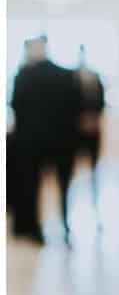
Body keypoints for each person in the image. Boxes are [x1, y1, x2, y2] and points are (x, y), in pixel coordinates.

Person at [9, 36, 81, 244]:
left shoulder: (24, 75)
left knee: (31, 186)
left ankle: (33, 230)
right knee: (64, 186)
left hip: (31, 143)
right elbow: (76, 107)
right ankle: (66, 225)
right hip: (63, 141)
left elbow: (15, 105)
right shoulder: (66, 75)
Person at [74, 44, 107, 202]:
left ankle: (94, 190)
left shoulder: (95, 77)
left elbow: (101, 101)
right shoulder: (72, 77)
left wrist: (93, 119)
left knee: (93, 162)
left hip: (93, 127)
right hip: (77, 128)